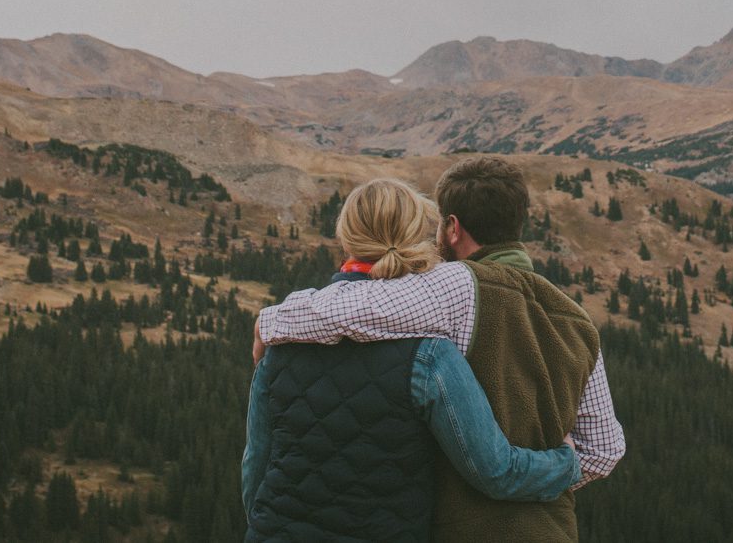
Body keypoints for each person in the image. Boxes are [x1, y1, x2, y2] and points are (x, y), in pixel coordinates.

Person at [256, 157, 624, 543]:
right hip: (554, 532)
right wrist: (555, 468)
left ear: (451, 228)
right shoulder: (577, 319)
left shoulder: (454, 285)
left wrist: (271, 321)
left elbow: (355, 306)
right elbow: (604, 451)